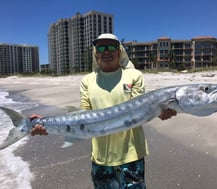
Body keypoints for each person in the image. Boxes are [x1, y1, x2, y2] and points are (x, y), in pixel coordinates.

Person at [31, 33, 177, 189]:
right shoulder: (87, 81)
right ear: (96, 53)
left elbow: (140, 109)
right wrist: (46, 123)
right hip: (100, 158)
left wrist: (160, 112)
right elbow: (82, 115)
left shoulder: (134, 75)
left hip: (132, 155)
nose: (106, 51)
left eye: (111, 47)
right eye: (101, 47)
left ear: (119, 51)